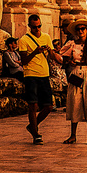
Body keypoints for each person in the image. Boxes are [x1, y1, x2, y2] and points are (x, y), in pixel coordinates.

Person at [17, 13, 56, 143]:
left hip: (44, 74)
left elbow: (51, 55)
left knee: (48, 106)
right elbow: (24, 60)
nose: (37, 29)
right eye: (34, 27)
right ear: (29, 27)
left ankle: (32, 126)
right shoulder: (24, 40)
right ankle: (35, 134)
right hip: (30, 75)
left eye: (39, 26)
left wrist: (50, 52)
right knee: (32, 105)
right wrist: (35, 52)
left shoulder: (46, 37)